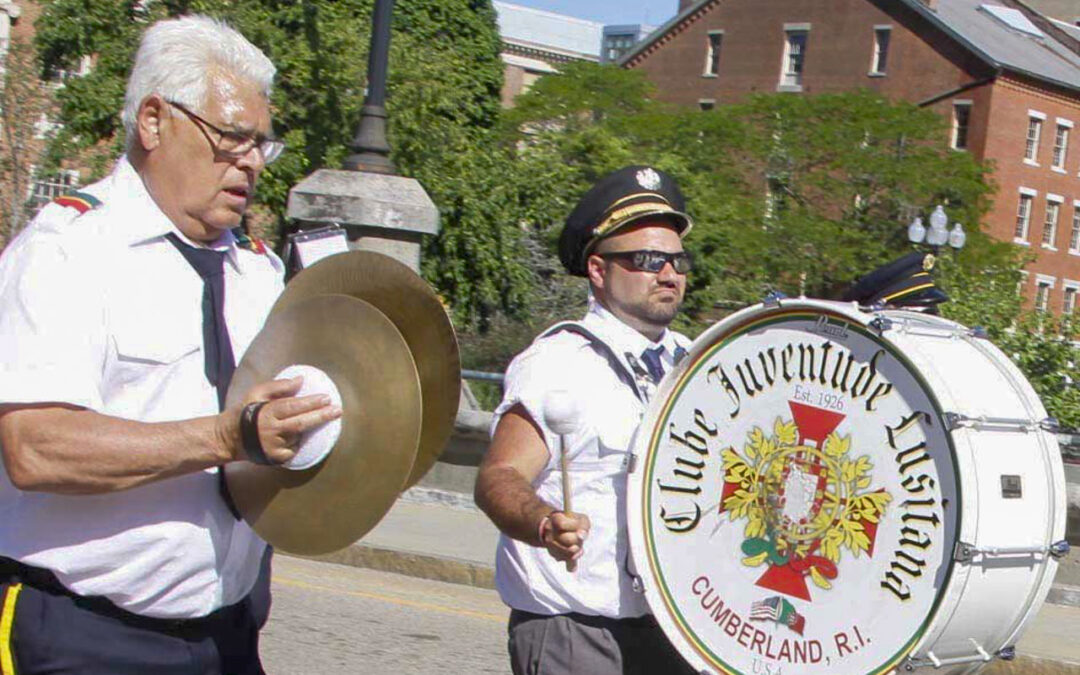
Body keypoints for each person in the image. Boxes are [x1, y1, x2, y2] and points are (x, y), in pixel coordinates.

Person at [0, 15, 340, 675]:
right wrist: (228, 437)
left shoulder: (258, 271)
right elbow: (33, 446)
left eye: (261, 144)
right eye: (232, 136)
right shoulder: (69, 250)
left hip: (227, 635)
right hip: (82, 635)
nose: (250, 160)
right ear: (154, 121)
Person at [475, 166, 698, 675]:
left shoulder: (696, 362)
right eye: (646, 260)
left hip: (675, 631)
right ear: (598, 270)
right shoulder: (559, 363)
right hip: (577, 633)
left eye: (677, 260)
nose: (669, 274)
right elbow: (498, 477)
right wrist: (542, 522)